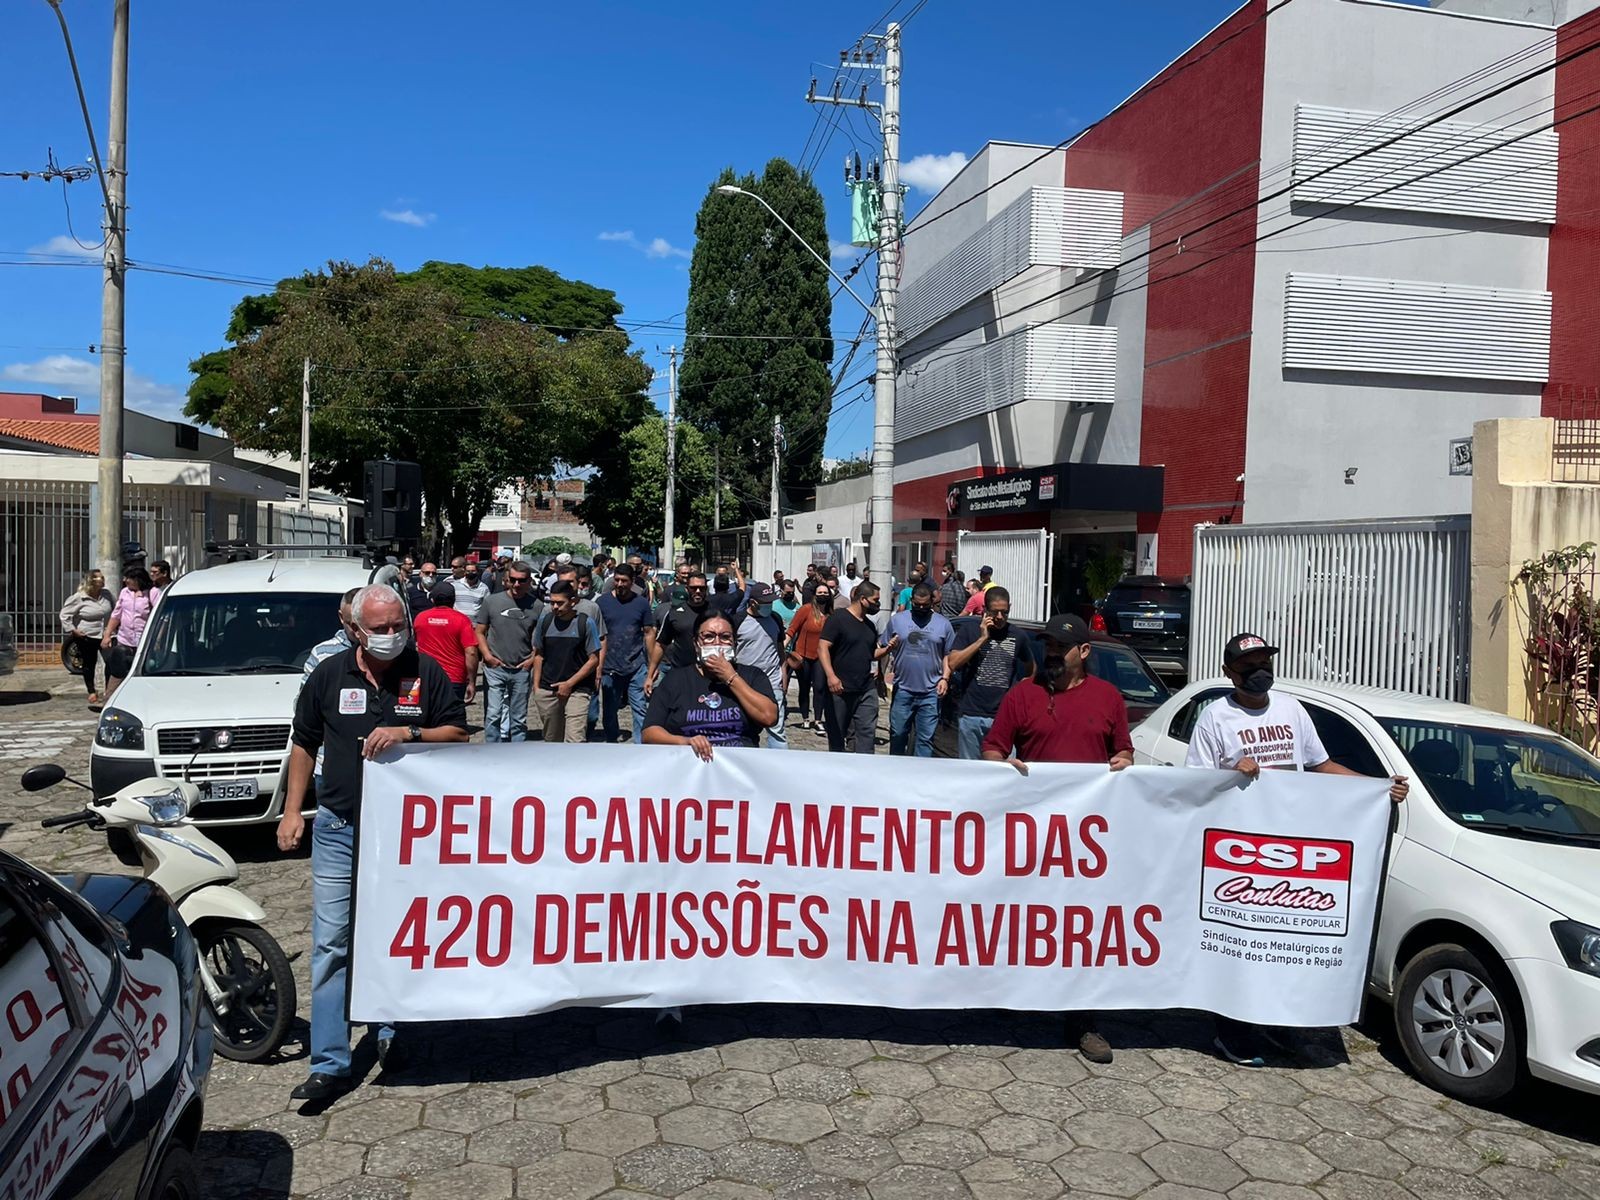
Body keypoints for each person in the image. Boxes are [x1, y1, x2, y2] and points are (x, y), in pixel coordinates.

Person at [278, 584, 468, 1101]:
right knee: (332, 944)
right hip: (339, 827)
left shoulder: (425, 672)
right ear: (355, 629)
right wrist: (293, 810)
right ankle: (331, 1062)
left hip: (406, 837)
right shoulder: (328, 674)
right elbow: (304, 742)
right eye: (379, 629)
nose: (390, 636)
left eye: (397, 626)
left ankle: (390, 1032)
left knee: (393, 936)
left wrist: (410, 734)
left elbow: (458, 733)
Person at [1185, 631, 1410, 1066]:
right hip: (1237, 847)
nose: (1259, 673)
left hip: (1288, 844)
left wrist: (1378, 788)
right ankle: (1230, 1033)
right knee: (1237, 938)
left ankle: (1274, 1023)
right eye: (1249, 667)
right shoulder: (1215, 717)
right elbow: (1197, 782)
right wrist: (1232, 770)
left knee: (1277, 936)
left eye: (1264, 663)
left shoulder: (1291, 709)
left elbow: (1320, 765)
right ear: (1230, 672)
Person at [982, 612, 1132, 1064]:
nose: (1049, 653)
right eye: (1045, 645)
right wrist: (997, 766)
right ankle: (1011, 996)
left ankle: (1083, 1019)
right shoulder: (1022, 695)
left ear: (1083, 652)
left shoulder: (1108, 698)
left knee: (1080, 928)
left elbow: (1121, 749)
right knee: (1026, 920)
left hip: (1086, 843)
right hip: (1032, 839)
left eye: (1058, 646)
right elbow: (993, 747)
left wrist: (1123, 762)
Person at [643, 610, 778, 759]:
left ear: (735, 643)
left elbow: (769, 717)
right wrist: (685, 742)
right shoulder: (675, 679)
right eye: (709, 637)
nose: (717, 643)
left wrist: (731, 677)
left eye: (725, 637)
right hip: (688, 766)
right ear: (696, 644)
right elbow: (649, 733)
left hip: (739, 767)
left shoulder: (752, 676)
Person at [946, 587, 1033, 759]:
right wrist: (982, 639)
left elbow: (1031, 667)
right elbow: (953, 662)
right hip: (972, 714)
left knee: (1005, 773)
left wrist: (1024, 686)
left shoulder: (1018, 635)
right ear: (985, 610)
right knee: (972, 773)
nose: (1000, 617)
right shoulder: (970, 631)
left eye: (1004, 612)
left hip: (1004, 717)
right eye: (995, 612)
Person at [882, 582, 955, 757]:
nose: (921, 607)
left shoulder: (943, 624)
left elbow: (949, 654)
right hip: (903, 689)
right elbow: (884, 648)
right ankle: (896, 771)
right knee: (898, 734)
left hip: (931, 691)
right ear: (911, 601)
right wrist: (880, 675)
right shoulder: (897, 620)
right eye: (917, 604)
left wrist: (945, 678)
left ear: (933, 601)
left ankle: (920, 776)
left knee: (925, 740)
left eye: (925, 605)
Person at [820, 581, 890, 754]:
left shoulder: (869, 626)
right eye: (875, 600)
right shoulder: (838, 618)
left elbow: (870, 653)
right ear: (863, 599)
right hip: (840, 689)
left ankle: (864, 769)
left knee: (866, 733)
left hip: (865, 688)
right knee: (837, 736)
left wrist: (888, 649)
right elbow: (823, 647)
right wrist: (831, 676)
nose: (878, 604)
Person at [476, 562, 541, 743]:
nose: (517, 584)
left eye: (521, 581)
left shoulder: (537, 606)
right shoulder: (492, 601)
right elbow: (480, 631)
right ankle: (492, 752)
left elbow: (540, 639)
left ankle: (516, 753)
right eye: (513, 580)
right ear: (507, 580)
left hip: (521, 668)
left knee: (519, 718)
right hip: (495, 667)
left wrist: (532, 659)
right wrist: (487, 656)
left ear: (529, 581)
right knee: (493, 714)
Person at [533, 581, 601, 742]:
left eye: (560, 603)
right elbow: (538, 654)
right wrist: (536, 688)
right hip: (548, 689)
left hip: (578, 689)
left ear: (572, 601)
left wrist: (569, 684)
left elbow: (593, 659)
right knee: (552, 739)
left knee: (575, 740)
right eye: (552, 602)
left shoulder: (585, 623)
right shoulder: (545, 621)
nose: (555, 607)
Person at [597, 562, 652, 743]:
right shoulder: (602, 602)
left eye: (624, 581)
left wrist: (652, 664)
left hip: (636, 664)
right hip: (609, 665)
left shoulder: (641, 603)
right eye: (617, 580)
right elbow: (597, 634)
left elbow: (649, 633)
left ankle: (640, 744)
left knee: (639, 708)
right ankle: (612, 740)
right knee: (610, 709)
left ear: (632, 581)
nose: (620, 584)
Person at [734, 582, 787, 749]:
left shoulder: (775, 618)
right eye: (765, 603)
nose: (769, 606)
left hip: (772, 681)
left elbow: (780, 649)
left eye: (770, 602)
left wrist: (783, 674)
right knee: (743, 727)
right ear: (753, 603)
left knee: (777, 731)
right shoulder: (738, 620)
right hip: (745, 683)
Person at [647, 572, 712, 694]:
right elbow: (661, 644)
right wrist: (650, 675)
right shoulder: (674, 613)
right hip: (681, 673)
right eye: (693, 588)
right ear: (687, 589)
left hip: (710, 675)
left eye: (702, 588)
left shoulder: (716, 612)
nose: (698, 591)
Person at [414, 582, 479, 702]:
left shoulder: (420, 618)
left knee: (427, 717)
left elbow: (415, 646)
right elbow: (471, 652)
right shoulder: (462, 620)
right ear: (454, 600)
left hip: (427, 677)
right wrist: (471, 681)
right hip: (454, 678)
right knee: (452, 718)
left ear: (433, 600)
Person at [60, 569, 114, 709]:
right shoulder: (79, 597)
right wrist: (73, 630)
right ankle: (91, 691)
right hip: (87, 635)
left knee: (110, 662)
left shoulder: (106, 595)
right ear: (91, 581)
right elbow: (64, 615)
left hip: (105, 634)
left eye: (102, 577)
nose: (102, 580)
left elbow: (115, 610)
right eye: (98, 578)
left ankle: (109, 692)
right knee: (89, 663)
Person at [101, 565, 155, 700]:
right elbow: (116, 614)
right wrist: (107, 634)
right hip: (125, 639)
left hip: (145, 640)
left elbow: (160, 617)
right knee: (118, 666)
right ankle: (110, 698)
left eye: (129, 578)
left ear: (137, 579)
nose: (125, 581)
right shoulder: (125, 592)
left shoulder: (152, 593)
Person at [784, 582, 832, 732]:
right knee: (804, 687)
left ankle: (818, 719)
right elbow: (792, 629)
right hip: (803, 655)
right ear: (814, 595)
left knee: (819, 687)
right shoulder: (806, 610)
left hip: (820, 657)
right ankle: (805, 717)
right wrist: (782, 647)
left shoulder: (832, 615)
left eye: (826, 593)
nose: (823, 595)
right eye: (820, 593)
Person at [450, 557, 490, 625]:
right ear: (465, 572)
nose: (470, 573)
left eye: (473, 571)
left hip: (474, 626)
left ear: (477, 572)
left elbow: (487, 608)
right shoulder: (455, 586)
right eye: (468, 571)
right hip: (457, 624)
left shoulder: (484, 588)